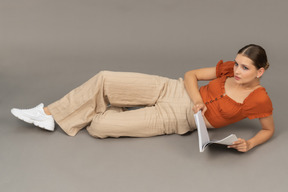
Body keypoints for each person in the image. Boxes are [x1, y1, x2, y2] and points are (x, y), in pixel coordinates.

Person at [11, 44, 274, 152]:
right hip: (172, 89)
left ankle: (111, 106)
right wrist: (197, 99)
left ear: (260, 71)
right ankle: (48, 114)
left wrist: (249, 144)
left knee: (99, 127)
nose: (237, 71)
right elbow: (191, 74)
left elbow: (268, 130)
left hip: (176, 119)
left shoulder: (259, 99)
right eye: (238, 64)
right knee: (105, 78)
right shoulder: (228, 68)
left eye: (245, 68)